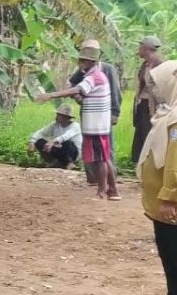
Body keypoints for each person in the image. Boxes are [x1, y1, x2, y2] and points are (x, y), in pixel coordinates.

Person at [137, 60, 177, 295]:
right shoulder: (172, 114)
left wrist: (170, 197)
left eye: (159, 85)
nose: (156, 91)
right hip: (166, 205)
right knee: (170, 255)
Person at [37, 41, 121, 200]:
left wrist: (51, 95)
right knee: (104, 157)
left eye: (83, 61)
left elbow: (77, 89)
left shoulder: (95, 77)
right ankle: (113, 190)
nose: (80, 63)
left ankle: (102, 191)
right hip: (97, 125)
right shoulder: (92, 75)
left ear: (91, 62)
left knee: (101, 159)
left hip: (97, 126)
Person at [66, 39, 122, 185]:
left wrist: (115, 113)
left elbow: (115, 92)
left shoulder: (106, 69)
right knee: (89, 145)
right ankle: (92, 178)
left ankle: (110, 180)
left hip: (103, 114)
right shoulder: (83, 70)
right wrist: (78, 97)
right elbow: (72, 85)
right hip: (88, 113)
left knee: (105, 147)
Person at [132, 36, 164, 165]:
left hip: (153, 108)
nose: (138, 50)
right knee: (140, 135)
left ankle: (151, 165)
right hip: (142, 105)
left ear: (146, 49)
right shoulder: (144, 65)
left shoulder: (161, 66)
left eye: (140, 47)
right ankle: (141, 165)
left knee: (149, 136)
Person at [27, 104, 82, 168]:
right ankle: (53, 161)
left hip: (73, 153)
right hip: (60, 149)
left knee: (68, 143)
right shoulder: (55, 124)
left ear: (65, 117)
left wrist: (53, 142)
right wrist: (32, 141)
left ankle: (69, 163)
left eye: (59, 115)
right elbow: (42, 132)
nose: (56, 116)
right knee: (40, 142)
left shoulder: (75, 126)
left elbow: (65, 136)